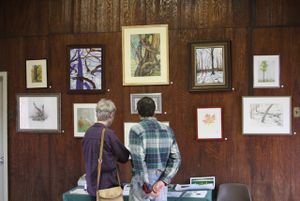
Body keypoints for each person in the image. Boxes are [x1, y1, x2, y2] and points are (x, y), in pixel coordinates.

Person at [128, 97, 181, 201]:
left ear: (138, 112)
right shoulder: (168, 130)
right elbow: (176, 159)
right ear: (154, 111)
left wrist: (147, 187)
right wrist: (163, 181)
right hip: (160, 182)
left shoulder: (136, 130)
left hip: (142, 183)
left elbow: (138, 162)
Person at [82, 98, 130, 201]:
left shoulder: (88, 133)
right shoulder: (108, 134)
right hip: (108, 187)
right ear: (111, 114)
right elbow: (124, 157)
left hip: (92, 186)